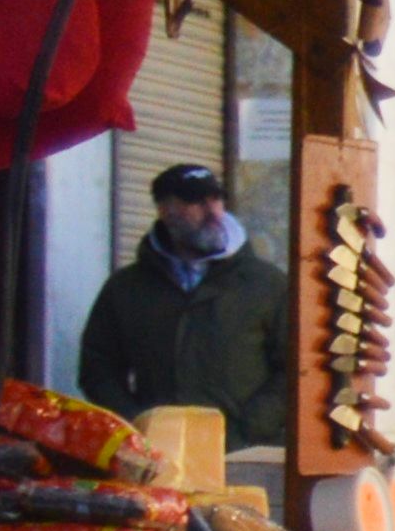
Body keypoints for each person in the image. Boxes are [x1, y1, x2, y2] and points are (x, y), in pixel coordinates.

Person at [76, 160, 292, 453]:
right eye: (196, 202)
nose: (212, 211)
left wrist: (248, 428)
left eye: (216, 199)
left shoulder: (266, 283)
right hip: (159, 458)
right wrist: (137, 425)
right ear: (166, 210)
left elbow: (293, 369)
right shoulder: (127, 288)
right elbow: (98, 369)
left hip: (247, 454)